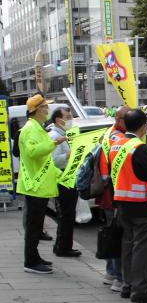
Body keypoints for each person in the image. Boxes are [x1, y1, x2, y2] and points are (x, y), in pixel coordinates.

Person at [110, 109, 147, 303]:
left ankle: (128, 285)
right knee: (142, 248)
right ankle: (140, 289)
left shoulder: (117, 144)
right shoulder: (140, 147)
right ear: (143, 126)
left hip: (123, 202)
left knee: (128, 245)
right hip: (142, 203)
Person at [18, 94, 64, 274]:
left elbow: (45, 161)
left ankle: (34, 257)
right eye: (45, 107)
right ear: (36, 110)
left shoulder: (37, 127)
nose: (47, 110)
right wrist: (54, 143)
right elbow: (32, 152)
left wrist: (61, 175)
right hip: (34, 186)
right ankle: (30, 261)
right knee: (33, 226)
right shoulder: (31, 129)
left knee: (36, 225)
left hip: (39, 185)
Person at [98, 107, 128, 292]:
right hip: (115, 195)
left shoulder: (109, 134)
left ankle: (110, 273)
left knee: (112, 233)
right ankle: (118, 277)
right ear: (119, 119)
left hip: (109, 194)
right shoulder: (119, 139)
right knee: (118, 236)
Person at [47, 106, 81, 257]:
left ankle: (62, 246)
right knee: (66, 215)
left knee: (67, 214)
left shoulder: (65, 135)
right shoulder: (54, 136)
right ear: (58, 120)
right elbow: (55, 161)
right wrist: (70, 155)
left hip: (68, 179)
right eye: (67, 118)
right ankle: (63, 248)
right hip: (63, 180)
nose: (70, 120)